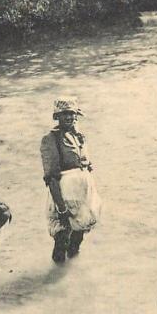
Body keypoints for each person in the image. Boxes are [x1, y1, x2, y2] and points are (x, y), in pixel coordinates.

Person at [40, 97, 102, 264]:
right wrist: (61, 208)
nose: (69, 117)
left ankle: (71, 276)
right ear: (57, 116)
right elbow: (51, 177)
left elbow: (83, 163)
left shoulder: (79, 137)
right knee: (62, 238)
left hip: (82, 195)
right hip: (64, 195)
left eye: (72, 114)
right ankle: (55, 276)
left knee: (78, 238)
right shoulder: (50, 139)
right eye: (64, 114)